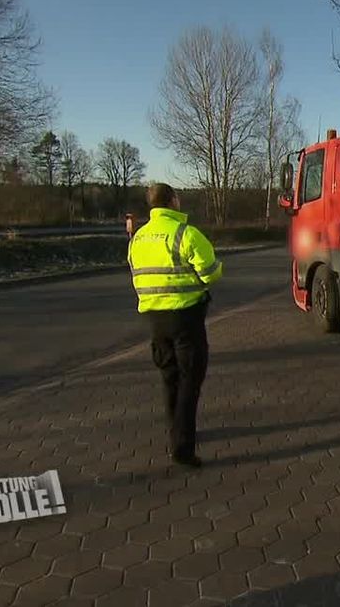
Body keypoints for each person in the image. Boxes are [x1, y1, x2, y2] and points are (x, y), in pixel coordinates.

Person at [127, 183, 223, 467]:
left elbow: (135, 272)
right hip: (185, 317)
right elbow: (209, 274)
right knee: (190, 380)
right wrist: (218, 268)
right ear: (173, 201)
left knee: (169, 377)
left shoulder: (138, 238)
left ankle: (175, 429)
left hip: (155, 319)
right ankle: (182, 446)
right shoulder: (186, 234)